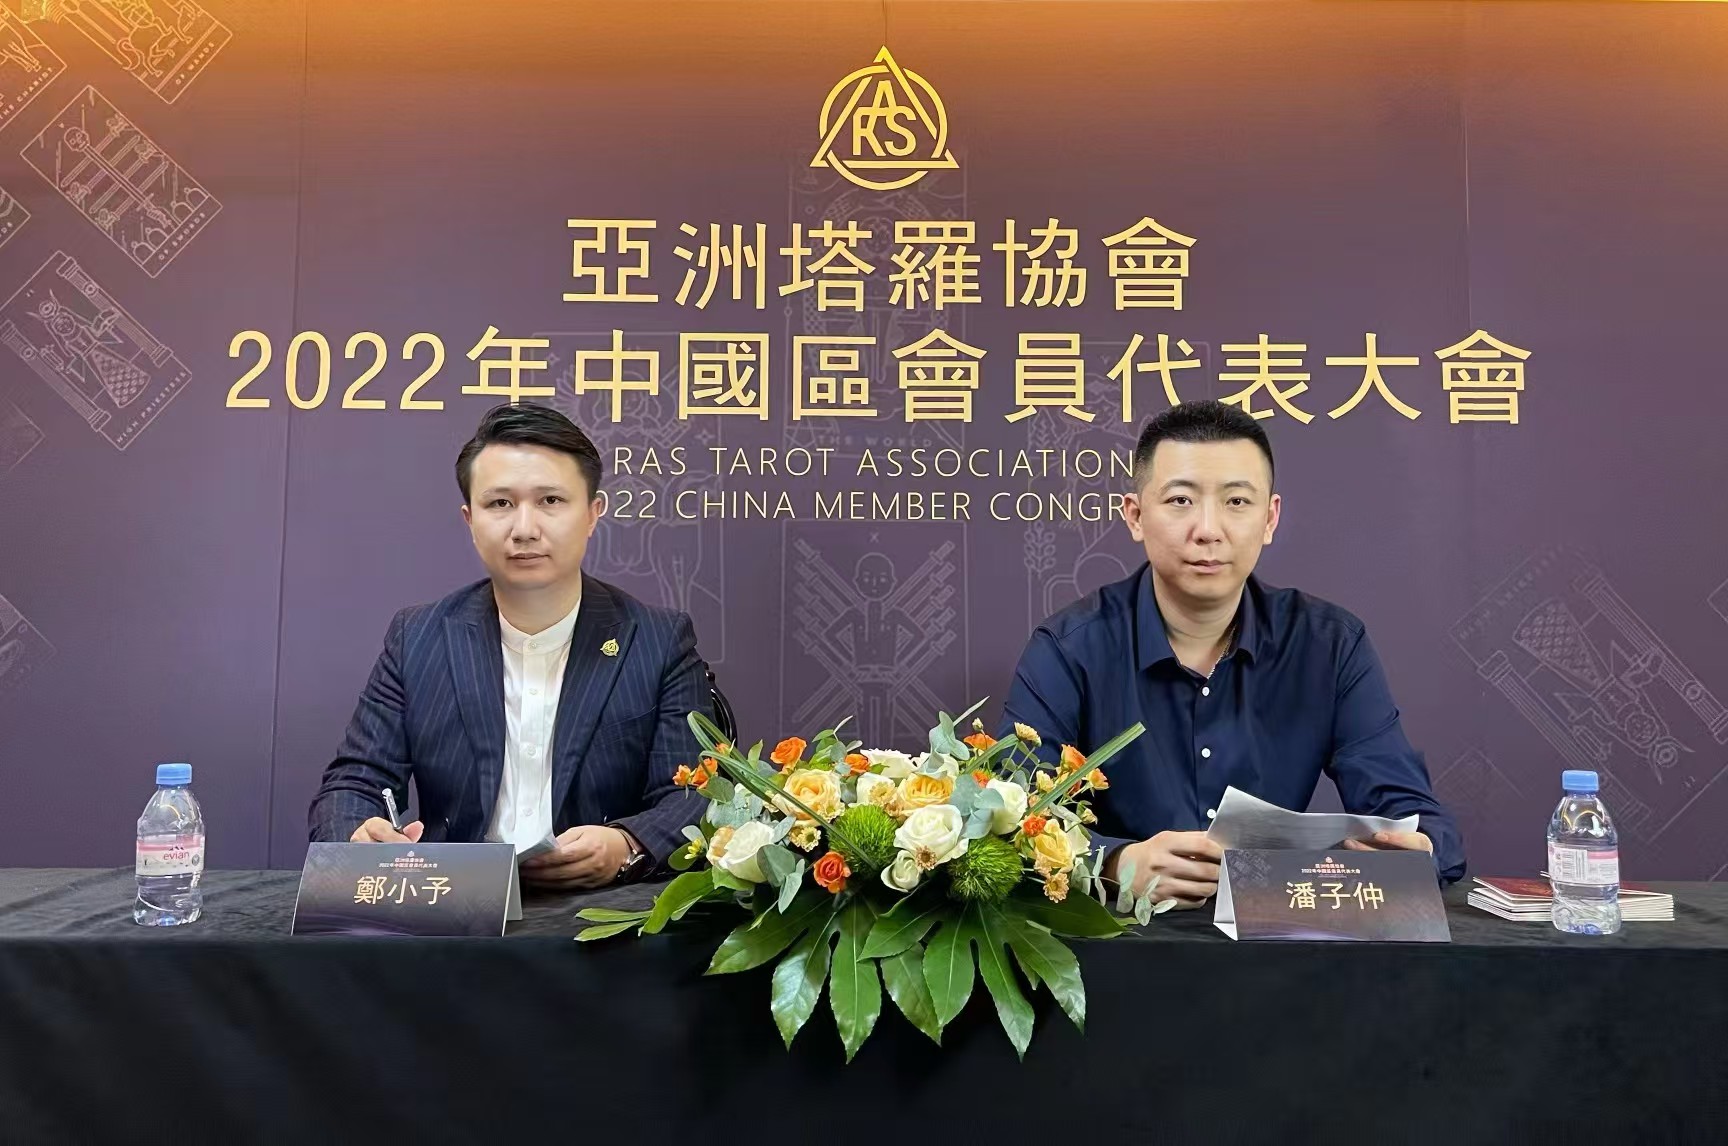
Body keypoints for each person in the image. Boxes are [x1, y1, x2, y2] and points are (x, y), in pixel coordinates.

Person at [1003, 400, 1464, 908]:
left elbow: (1413, 814)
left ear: (1270, 518)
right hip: (1119, 941)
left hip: (1280, 933)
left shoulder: (1329, 645)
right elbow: (1008, 818)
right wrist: (1112, 864)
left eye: (1237, 501)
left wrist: (1417, 849)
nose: (1208, 529)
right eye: (1180, 500)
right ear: (1135, 516)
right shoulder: (1069, 647)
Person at [308, 403, 711, 888]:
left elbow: (695, 795)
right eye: (499, 504)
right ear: (469, 519)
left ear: (592, 514)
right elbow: (351, 784)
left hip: (604, 910)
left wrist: (628, 845)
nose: (524, 529)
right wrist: (360, 835)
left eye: (550, 501)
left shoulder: (658, 640)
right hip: (454, 906)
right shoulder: (417, 637)